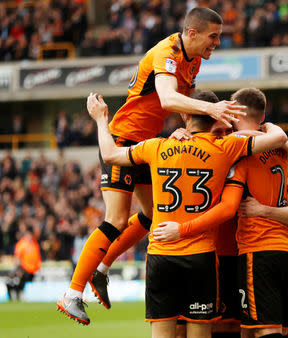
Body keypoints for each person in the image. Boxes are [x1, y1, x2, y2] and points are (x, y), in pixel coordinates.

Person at [57, 7, 246, 324]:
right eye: (213, 36)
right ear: (193, 33)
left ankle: (101, 270)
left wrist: (186, 126)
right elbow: (167, 99)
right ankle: (72, 294)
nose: (217, 42)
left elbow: (180, 103)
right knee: (116, 218)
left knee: (151, 214)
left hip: (147, 142)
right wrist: (211, 108)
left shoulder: (193, 59)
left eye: (220, 36)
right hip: (123, 138)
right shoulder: (166, 52)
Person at [64, 90, 287, 337]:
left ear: (184, 116)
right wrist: (265, 125)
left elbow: (109, 155)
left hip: (161, 255)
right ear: (214, 118)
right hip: (201, 256)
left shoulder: (157, 146)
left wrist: (100, 120)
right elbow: (278, 139)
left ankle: (95, 273)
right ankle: (101, 269)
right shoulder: (226, 148)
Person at [154, 88, 288, 338]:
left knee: (244, 328)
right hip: (212, 253)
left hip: (240, 253)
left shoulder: (239, 153)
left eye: (227, 131)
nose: (223, 136)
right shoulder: (209, 152)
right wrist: (177, 137)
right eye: (218, 132)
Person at [6, 227, 41, 301]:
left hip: (32, 270)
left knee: (19, 281)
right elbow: (17, 259)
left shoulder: (34, 244)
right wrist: (20, 269)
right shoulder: (22, 244)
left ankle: (18, 293)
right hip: (24, 269)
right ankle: (16, 294)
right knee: (16, 280)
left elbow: (37, 258)